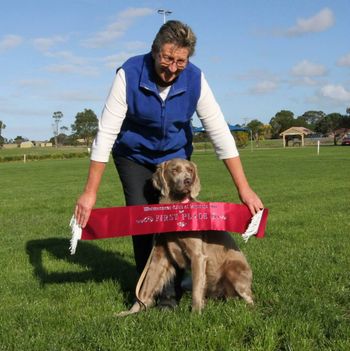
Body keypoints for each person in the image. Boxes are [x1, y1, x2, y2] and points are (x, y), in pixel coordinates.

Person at [74, 20, 263, 308]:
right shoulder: (129, 74)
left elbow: (219, 133)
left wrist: (244, 189)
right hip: (134, 155)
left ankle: (173, 290)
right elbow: (107, 133)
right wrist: (90, 192)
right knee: (142, 217)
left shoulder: (196, 79)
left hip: (174, 154)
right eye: (166, 58)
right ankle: (150, 294)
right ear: (154, 52)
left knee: (179, 220)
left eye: (180, 61)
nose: (172, 68)